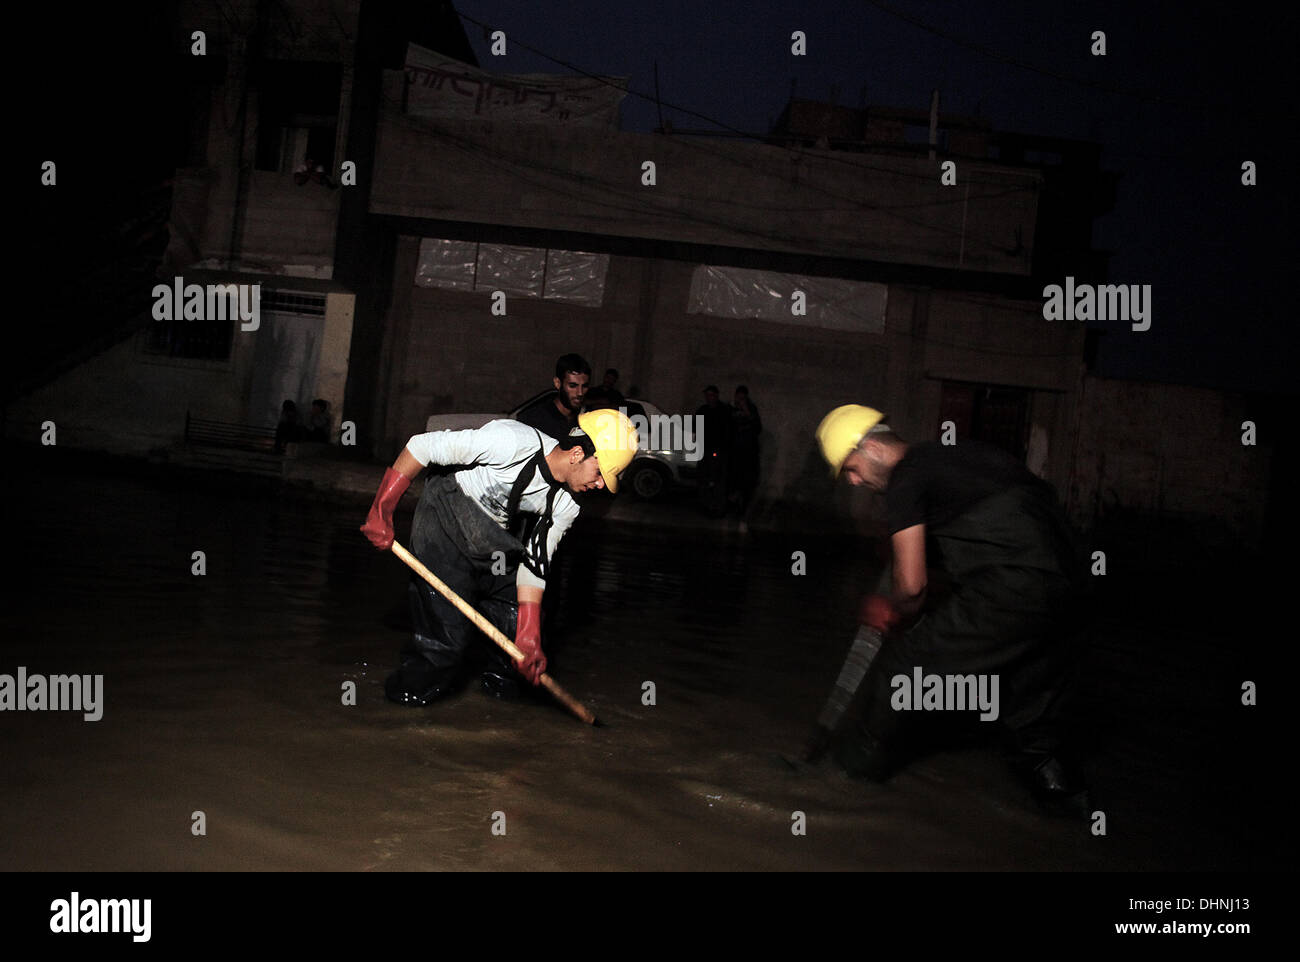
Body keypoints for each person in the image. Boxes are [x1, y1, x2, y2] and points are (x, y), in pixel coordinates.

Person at [811, 404, 1091, 817]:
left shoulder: (906, 478)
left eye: (850, 468)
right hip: (1071, 588)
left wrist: (892, 609)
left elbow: (912, 587)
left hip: (1014, 587)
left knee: (900, 673)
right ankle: (1073, 816)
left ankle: (837, 786)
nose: (854, 481)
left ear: (870, 445)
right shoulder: (958, 456)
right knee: (1029, 712)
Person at [360, 408, 639, 706]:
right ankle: (403, 703)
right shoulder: (511, 441)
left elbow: (535, 562)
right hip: (444, 520)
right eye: (600, 474)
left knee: (517, 630)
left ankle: (497, 703)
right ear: (577, 454)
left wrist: (529, 635)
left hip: (490, 538)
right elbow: (421, 446)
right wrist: (382, 509)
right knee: (445, 643)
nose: (599, 485)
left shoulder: (568, 504)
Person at [517, 353, 591, 442]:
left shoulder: (590, 419)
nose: (580, 393)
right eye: (572, 386)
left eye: (584, 386)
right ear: (558, 383)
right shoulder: (533, 419)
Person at [694, 385, 733, 516]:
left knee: (718, 479)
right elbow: (694, 427)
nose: (709, 398)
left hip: (719, 450)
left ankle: (717, 507)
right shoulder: (703, 410)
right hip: (704, 449)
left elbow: (727, 430)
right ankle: (705, 505)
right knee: (704, 478)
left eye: (711, 395)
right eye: (707, 395)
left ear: (716, 396)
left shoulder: (723, 410)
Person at [728, 385, 762, 516]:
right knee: (734, 481)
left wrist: (746, 410)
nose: (740, 400)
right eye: (738, 397)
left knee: (746, 483)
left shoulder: (751, 409)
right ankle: (733, 505)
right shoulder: (730, 408)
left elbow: (758, 428)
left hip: (748, 453)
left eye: (743, 398)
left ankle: (742, 509)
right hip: (735, 452)